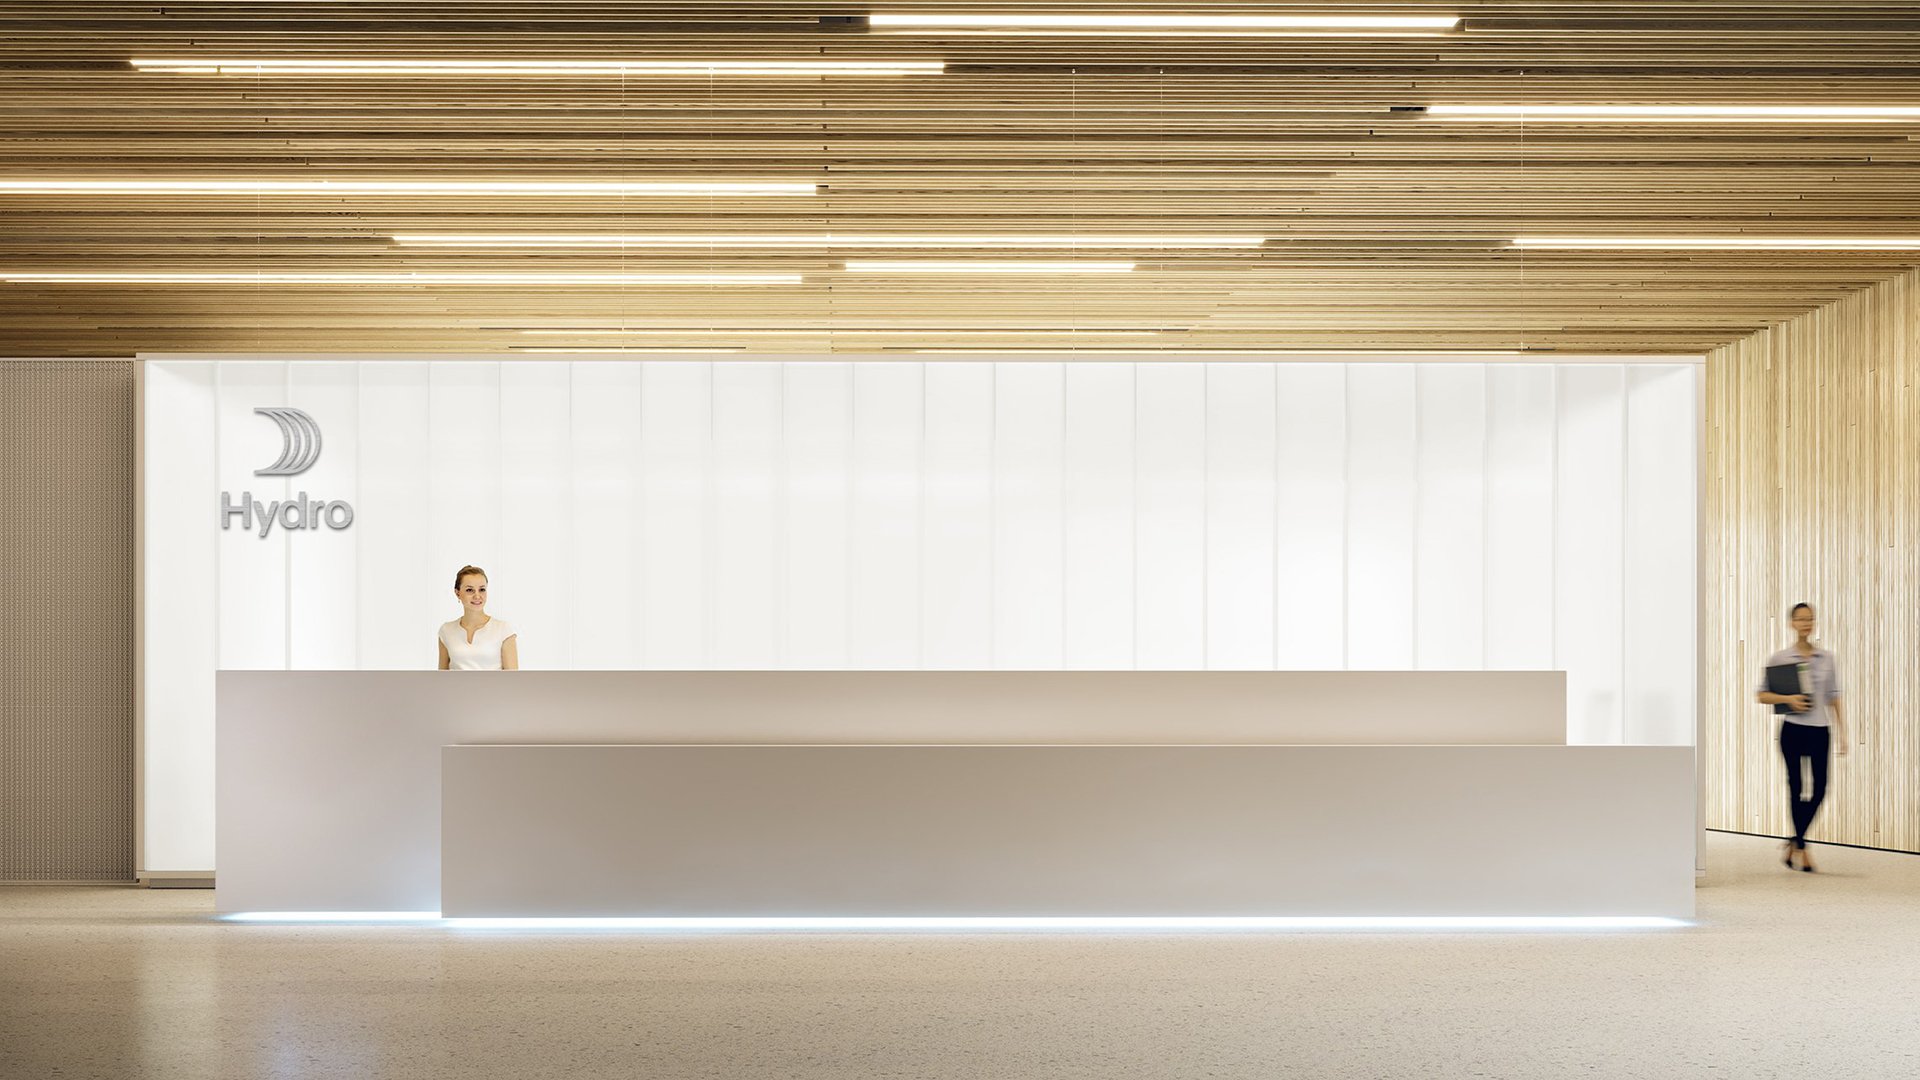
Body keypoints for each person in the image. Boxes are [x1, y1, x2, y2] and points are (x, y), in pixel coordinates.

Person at [1754, 602, 1847, 871]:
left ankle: (1794, 841)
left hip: (1820, 730)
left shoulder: (1827, 658)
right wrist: (1788, 699)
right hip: (1793, 729)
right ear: (1792, 623)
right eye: (1800, 619)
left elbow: (1833, 697)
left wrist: (1843, 733)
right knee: (1795, 787)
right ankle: (1803, 848)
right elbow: (1761, 695)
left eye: (1810, 619)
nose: (1806, 623)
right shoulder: (1780, 658)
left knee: (1820, 789)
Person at [438, 564, 519, 671]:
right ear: (457, 593)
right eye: (469, 590)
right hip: (456, 688)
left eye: (482, 589)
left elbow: (513, 679)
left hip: (494, 688)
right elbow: (441, 678)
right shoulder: (446, 630)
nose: (477, 596)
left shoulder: (503, 629)